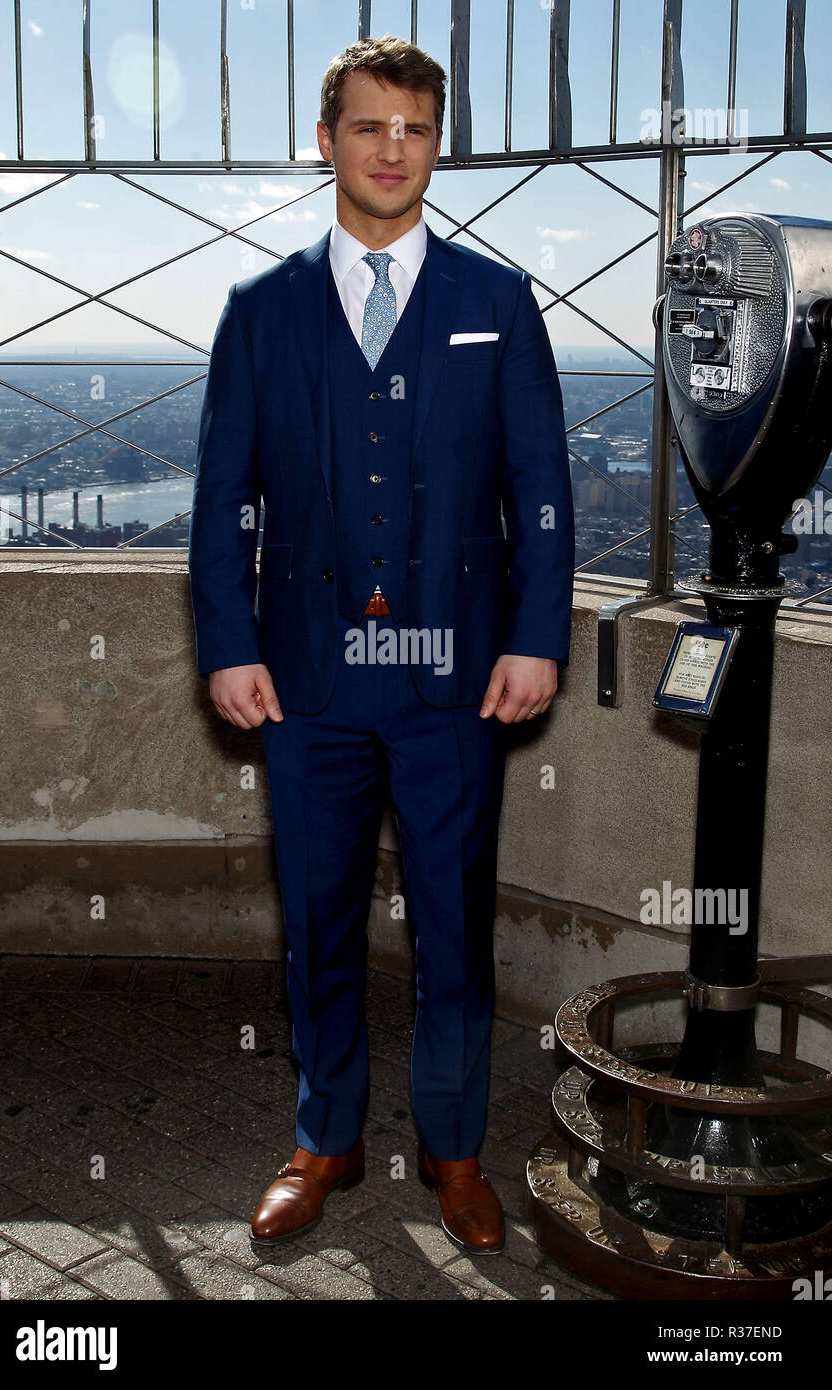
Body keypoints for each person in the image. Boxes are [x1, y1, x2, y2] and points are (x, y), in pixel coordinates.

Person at [188, 35, 574, 1258]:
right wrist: (228, 644)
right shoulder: (259, 313)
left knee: (454, 927)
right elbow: (218, 503)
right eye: (367, 126)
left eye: (412, 128)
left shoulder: (495, 304)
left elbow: (542, 491)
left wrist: (534, 636)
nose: (390, 149)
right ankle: (326, 1138)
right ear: (326, 141)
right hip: (301, 685)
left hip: (457, 683)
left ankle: (455, 1154)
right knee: (315, 921)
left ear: (434, 144)